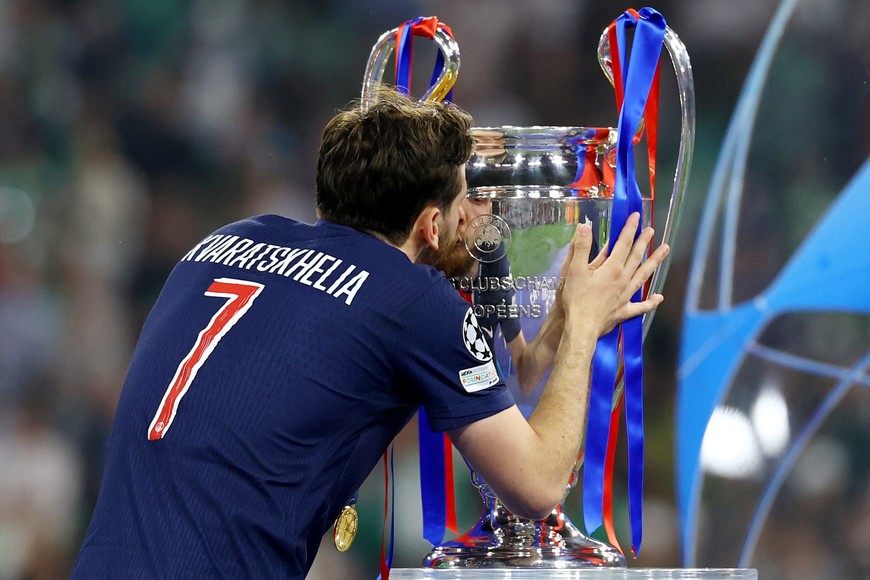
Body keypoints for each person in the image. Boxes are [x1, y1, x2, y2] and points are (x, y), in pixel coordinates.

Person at [71, 87, 668, 578]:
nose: (476, 217)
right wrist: (587, 326)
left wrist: (559, 319)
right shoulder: (411, 300)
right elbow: (536, 485)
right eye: (466, 200)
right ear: (432, 224)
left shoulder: (220, 243)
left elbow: (503, 388)